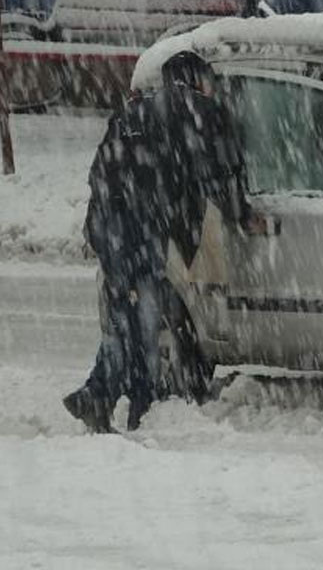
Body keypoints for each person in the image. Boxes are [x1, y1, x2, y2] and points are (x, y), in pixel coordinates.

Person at [63, 50, 250, 433]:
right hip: (144, 226)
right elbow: (220, 175)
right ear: (197, 79)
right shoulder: (202, 112)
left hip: (111, 223)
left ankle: (99, 395)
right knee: (145, 318)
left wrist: (101, 225)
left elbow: (101, 171)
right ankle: (135, 403)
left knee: (124, 319)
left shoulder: (133, 112)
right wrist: (242, 215)